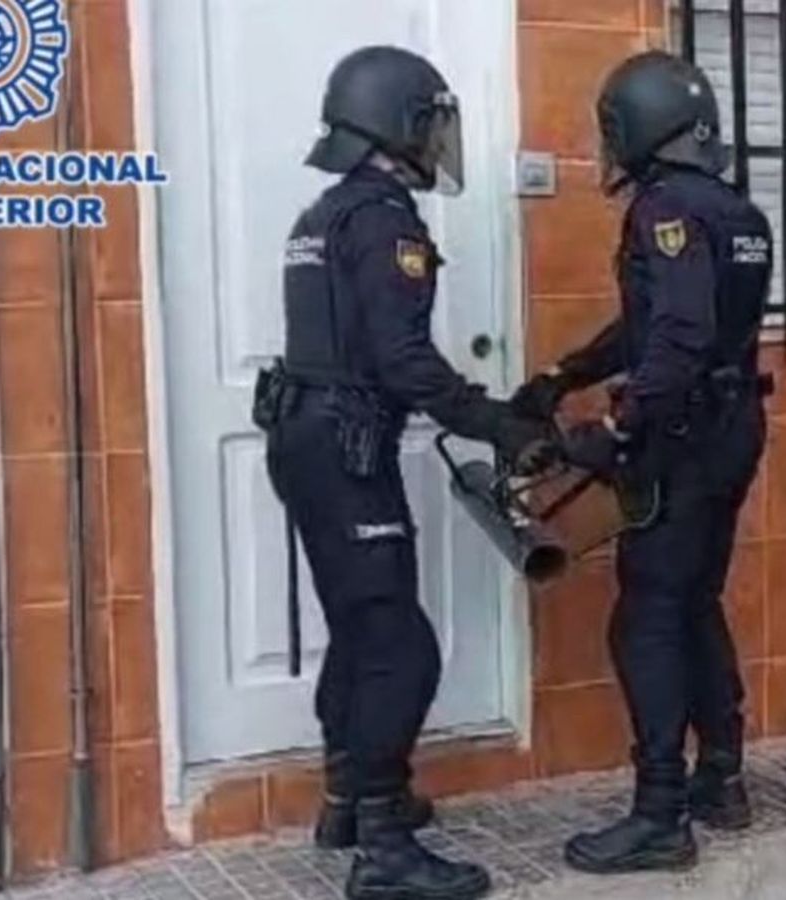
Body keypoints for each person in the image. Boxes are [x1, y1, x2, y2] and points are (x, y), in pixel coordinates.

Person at [259, 45, 552, 900]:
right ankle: (384, 849)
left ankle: (349, 801)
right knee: (400, 645)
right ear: (395, 123)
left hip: (305, 439)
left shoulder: (322, 213)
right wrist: (497, 423)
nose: (436, 141)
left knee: (360, 627)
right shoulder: (386, 223)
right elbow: (403, 362)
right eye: (429, 124)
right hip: (344, 444)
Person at [509, 51, 772, 874]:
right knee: (694, 598)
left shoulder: (664, 209)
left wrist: (618, 425)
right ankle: (720, 777)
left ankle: (661, 815)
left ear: (638, 128)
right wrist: (569, 373)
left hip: (684, 438)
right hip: (732, 426)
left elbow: (680, 336)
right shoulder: (737, 209)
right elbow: (655, 325)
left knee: (648, 615)